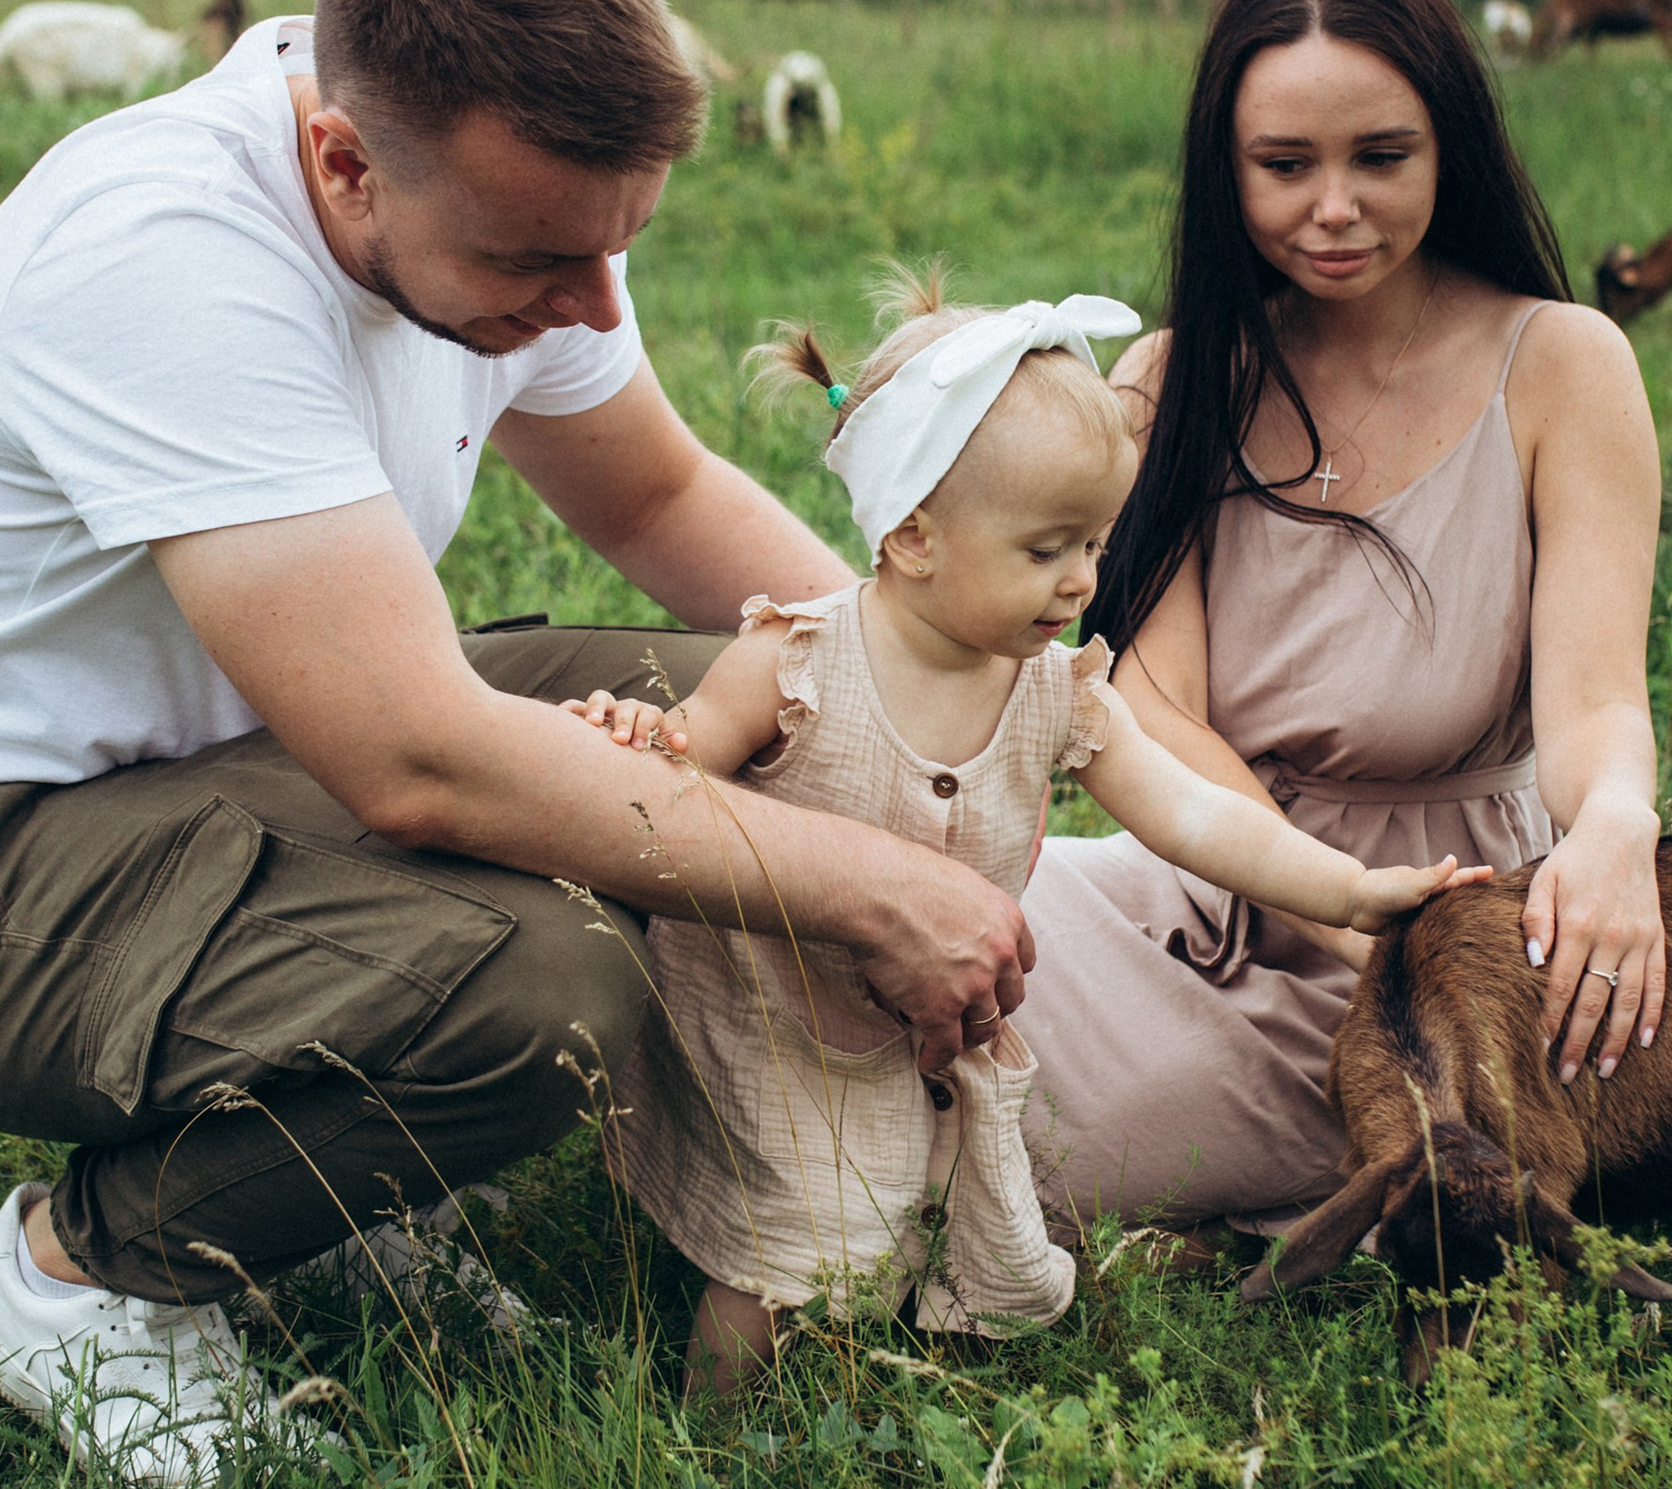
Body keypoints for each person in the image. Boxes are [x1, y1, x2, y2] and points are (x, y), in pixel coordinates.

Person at [0, 0, 1036, 1486]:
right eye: (537, 267)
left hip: (223, 770)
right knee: (548, 987)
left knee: (779, 701)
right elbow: (416, 759)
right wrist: (864, 884)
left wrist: (945, 707)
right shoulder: (166, 260)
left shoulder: (489, 197)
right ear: (342, 161)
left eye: (613, 250)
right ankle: (88, 1275)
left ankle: (338, 1185)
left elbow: (654, 492)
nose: (587, 304)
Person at [569, 271, 1482, 1396]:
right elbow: (677, 768)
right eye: (1046, 548)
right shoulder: (797, 662)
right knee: (783, 1252)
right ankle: (707, 1439)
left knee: (896, 1217)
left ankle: (866, 1382)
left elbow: (1191, 813)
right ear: (911, 536)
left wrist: (1344, 892)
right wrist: (630, 731)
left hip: (926, 1024)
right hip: (776, 1014)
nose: (1083, 578)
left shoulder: (1054, 691)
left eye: (1095, 543)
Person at [1019, 0, 1666, 1244]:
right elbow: (1157, 711)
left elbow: (1595, 698)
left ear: (1452, 149)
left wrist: (1617, 822)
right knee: (920, 916)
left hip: (1439, 948)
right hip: (1215, 879)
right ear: (1226, 169)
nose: (1334, 207)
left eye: (1383, 158)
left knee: (1045, 1111)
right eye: (1284, 165)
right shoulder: (1177, 375)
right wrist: (1310, 891)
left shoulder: (1561, 365)